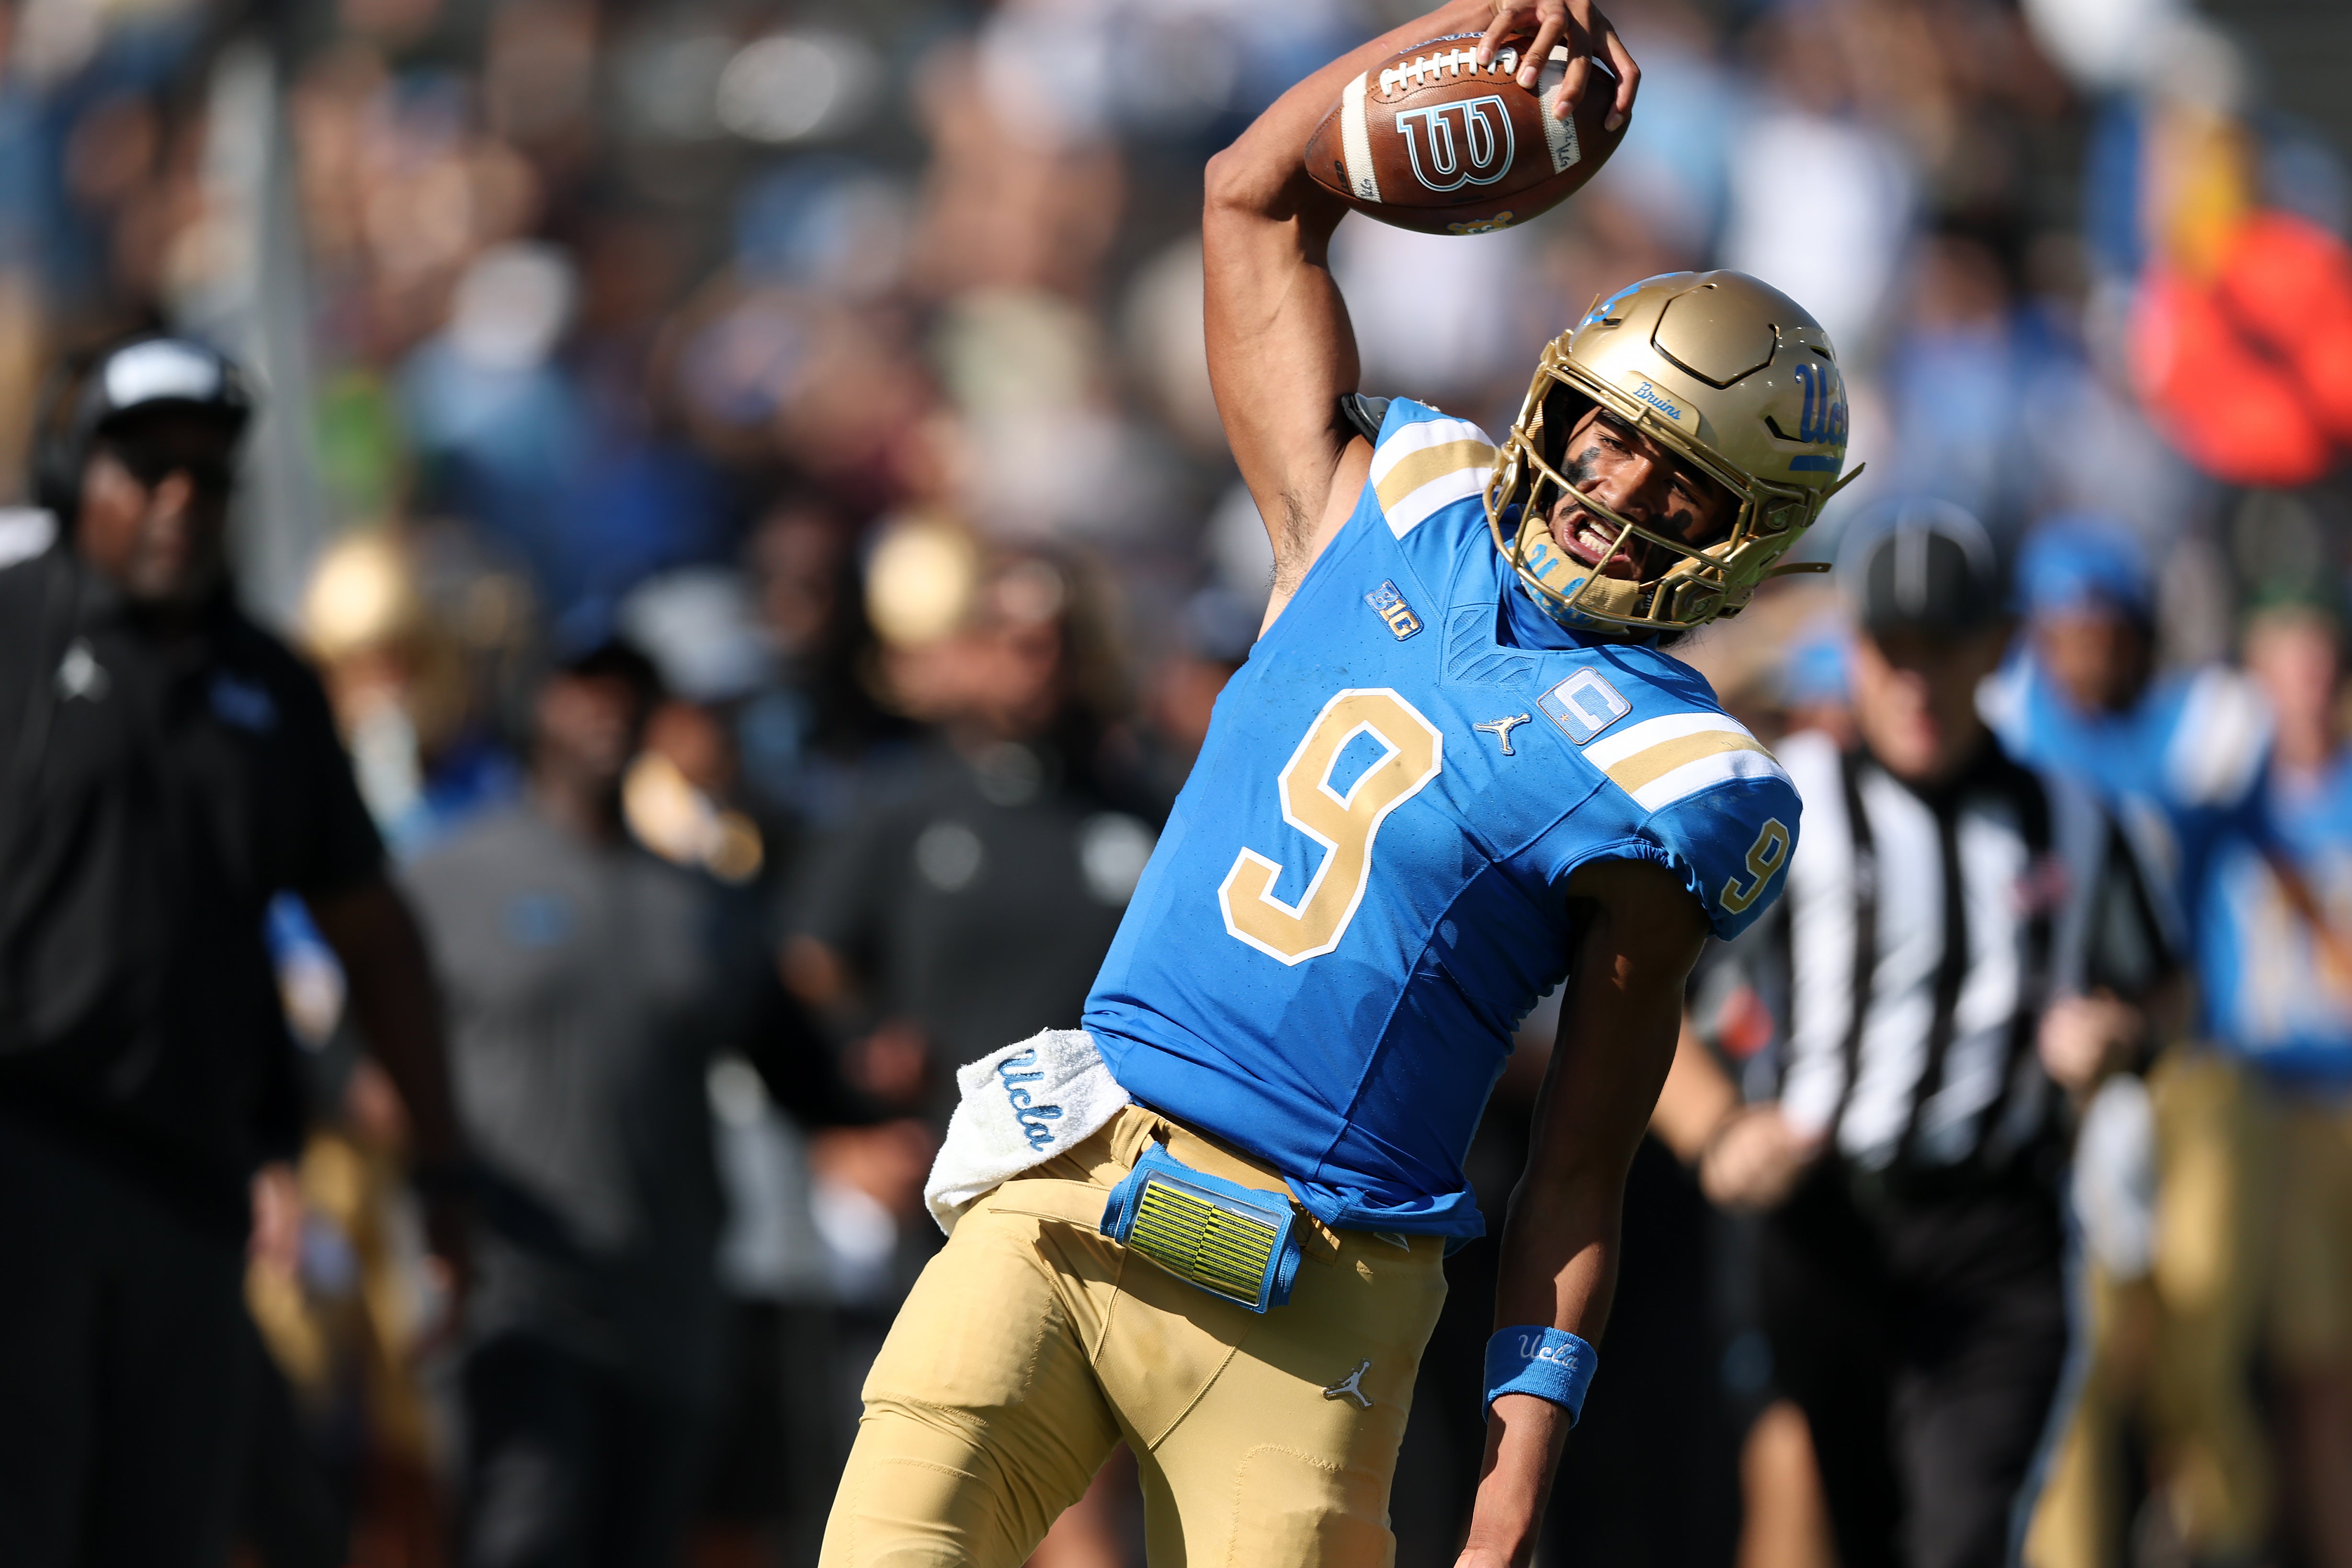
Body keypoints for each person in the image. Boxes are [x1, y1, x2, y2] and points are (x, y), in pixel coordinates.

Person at [818, 0, 1868, 1560]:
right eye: (1612, 437)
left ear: (1747, 540)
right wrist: (1462, 29)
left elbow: (1581, 1159)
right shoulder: (1386, 496)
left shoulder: (1679, 774)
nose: (1621, 490)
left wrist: (1519, 1462)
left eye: (1685, 482)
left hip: (1319, 1293)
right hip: (1079, 1186)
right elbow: (1252, 191)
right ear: (1559, 402)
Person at [0, 333, 467, 1568]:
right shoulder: (9, 629)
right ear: (75, 470)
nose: (179, 498)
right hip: (22, 1158)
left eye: (208, 473)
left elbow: (370, 930)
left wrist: (441, 1163)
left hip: (196, 1187)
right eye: (147, 466)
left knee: (171, 1533)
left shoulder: (272, 685)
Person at [1671, 502, 2169, 1568]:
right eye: (1890, 650)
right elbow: (1651, 1003)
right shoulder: (1784, 804)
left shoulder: (2073, 817)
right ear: (1854, 650)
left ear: (1998, 648)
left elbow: (2166, 985)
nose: (1914, 683)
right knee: (1833, 1525)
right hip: (1825, 1225)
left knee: (1961, 1536)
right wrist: (1718, 1132)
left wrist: (2119, 1034)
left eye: (1942, 649)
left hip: (1998, 1232)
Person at [403, 638, 859, 1568]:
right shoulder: (446, 878)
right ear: (535, 702)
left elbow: (804, 1072)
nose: (607, 709)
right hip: (514, 1290)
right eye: (583, 688)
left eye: (629, 690)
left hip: (669, 1301)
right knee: (524, 1535)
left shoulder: (704, 906)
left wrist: (890, 1098)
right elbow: (356, 1054)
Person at [1985, 520, 2278, 1568]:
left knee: (2199, 1346)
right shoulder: (2007, 727)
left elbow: (2283, 837)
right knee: (2075, 1358)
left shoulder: (2200, 731)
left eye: (2105, 629)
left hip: (2190, 1069)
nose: (2086, 651)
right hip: (2060, 1078)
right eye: (2066, 629)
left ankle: (2220, 1537)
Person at [2204, 595, 2352, 1568]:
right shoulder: (2221, 802)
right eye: (2284, 665)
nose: (2304, 686)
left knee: (2320, 1368)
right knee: (2274, 1364)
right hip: (2254, 1107)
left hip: (2336, 1101)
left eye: (2318, 664)